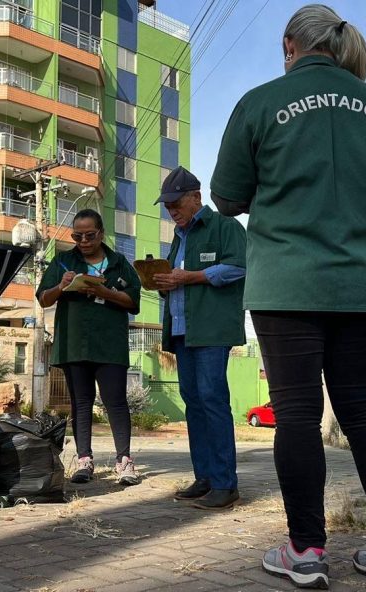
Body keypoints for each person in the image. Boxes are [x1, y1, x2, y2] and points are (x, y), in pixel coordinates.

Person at [210, 4, 366, 590]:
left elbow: (227, 198)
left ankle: (305, 550)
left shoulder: (259, 102)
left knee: (299, 415)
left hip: (288, 282)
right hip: (363, 282)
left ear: (289, 45)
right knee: (363, 411)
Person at [151, 166, 247, 510]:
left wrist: (191, 276)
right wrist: (165, 283)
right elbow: (180, 283)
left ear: (196, 197)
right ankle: (205, 477)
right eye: (167, 206)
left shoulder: (225, 227)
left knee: (212, 400)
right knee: (194, 404)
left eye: (177, 203)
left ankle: (225, 483)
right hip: (180, 332)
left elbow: (239, 267)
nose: (172, 210)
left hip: (210, 330)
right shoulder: (178, 238)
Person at [36, 209, 142, 486]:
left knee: (115, 402)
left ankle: (125, 462)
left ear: (101, 233)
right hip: (75, 343)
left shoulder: (119, 263)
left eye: (89, 235)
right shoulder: (63, 261)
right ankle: (84, 460)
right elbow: (44, 299)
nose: (83, 241)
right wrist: (62, 286)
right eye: (77, 235)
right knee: (80, 402)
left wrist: (105, 293)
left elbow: (133, 301)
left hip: (110, 344)